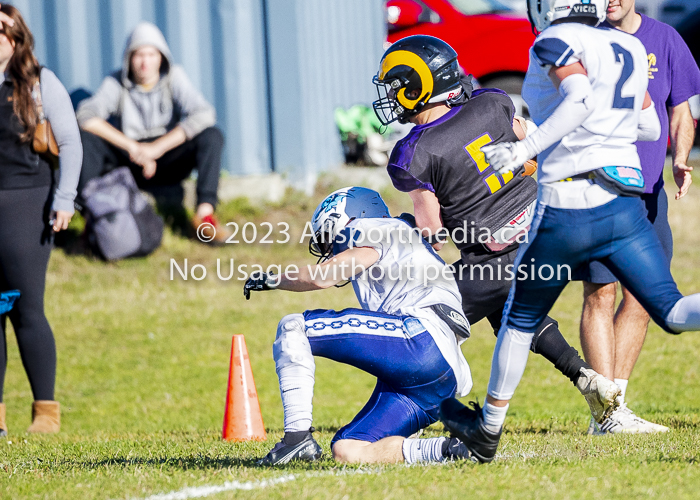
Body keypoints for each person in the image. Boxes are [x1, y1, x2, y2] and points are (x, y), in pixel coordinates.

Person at [439, 0, 700, 464]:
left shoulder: (555, 38)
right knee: (675, 310)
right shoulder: (628, 46)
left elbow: (578, 97)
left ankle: (487, 432)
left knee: (518, 322)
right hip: (624, 206)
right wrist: (599, 131)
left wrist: (529, 147)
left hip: (569, 205)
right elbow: (647, 125)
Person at [372, 35, 619, 423]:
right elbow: (534, 140)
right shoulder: (492, 102)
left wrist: (400, 233)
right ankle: (586, 377)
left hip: (494, 258)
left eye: (396, 86)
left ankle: (386, 421)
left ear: (417, 86)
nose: (391, 95)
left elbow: (432, 230)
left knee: (414, 329)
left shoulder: (413, 152)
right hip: (544, 237)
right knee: (507, 311)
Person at [244, 187, 475, 465]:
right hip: (441, 377)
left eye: (329, 239)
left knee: (294, 327)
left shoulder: (371, 227)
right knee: (348, 449)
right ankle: (451, 448)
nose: (330, 249)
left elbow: (325, 276)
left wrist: (273, 279)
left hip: (418, 338)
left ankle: (296, 439)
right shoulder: (405, 240)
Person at [576, 0, 700, 435]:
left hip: (649, 194)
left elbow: (680, 107)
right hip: (596, 193)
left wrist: (679, 159)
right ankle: (604, 414)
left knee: (644, 296)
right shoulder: (580, 41)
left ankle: (616, 406)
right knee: (600, 295)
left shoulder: (666, 40)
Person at [0, 4, 82, 435]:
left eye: (1, 30)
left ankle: (45, 412)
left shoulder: (38, 82)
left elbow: (69, 141)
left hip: (26, 202)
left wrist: (64, 198)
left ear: (16, 39)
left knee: (25, 309)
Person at [76, 22, 229, 243]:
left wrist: (156, 149)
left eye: (151, 54)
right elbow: (85, 116)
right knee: (86, 139)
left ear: (161, 58)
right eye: (138, 55)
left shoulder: (174, 77)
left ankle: (204, 217)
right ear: (129, 58)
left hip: (167, 159)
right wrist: (134, 148)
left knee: (212, 135)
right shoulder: (116, 81)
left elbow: (204, 114)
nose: (145, 62)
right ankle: (94, 219)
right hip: (129, 160)